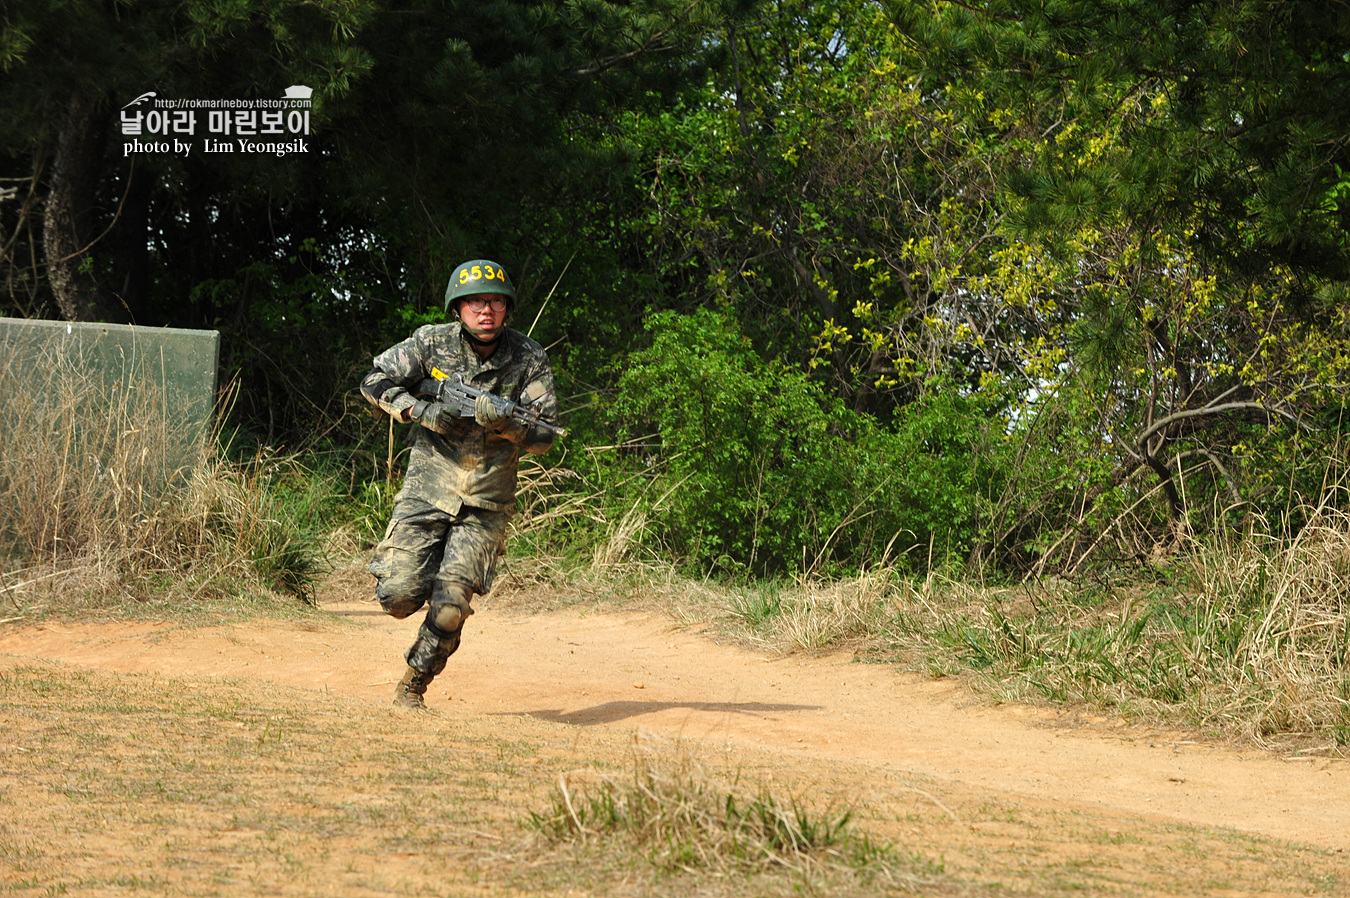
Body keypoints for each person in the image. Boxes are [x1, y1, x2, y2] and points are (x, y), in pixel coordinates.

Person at [359, 259, 559, 709]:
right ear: (458, 307)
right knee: (396, 595)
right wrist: (419, 411)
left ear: (507, 308)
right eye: (475, 302)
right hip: (428, 491)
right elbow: (373, 381)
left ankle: (413, 686)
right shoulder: (431, 342)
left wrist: (508, 425)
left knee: (450, 607)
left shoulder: (530, 358)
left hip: (486, 504)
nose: (485, 311)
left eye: (494, 302)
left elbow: (545, 437)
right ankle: (433, 580)